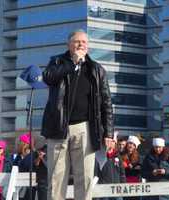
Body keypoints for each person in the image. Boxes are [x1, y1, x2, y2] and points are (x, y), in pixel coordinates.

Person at [41, 29, 114, 200]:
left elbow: (106, 102)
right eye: (77, 41)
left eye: (84, 42)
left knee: (85, 178)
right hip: (58, 128)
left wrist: (109, 133)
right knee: (56, 178)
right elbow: (48, 78)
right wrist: (71, 64)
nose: (81, 44)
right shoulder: (57, 61)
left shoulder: (96, 69)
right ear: (69, 45)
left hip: (85, 129)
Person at [121, 135, 141, 200]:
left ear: (135, 147)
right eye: (130, 143)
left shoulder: (138, 156)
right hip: (124, 181)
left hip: (135, 182)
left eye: (133, 144)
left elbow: (140, 166)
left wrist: (135, 167)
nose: (131, 145)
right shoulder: (121, 155)